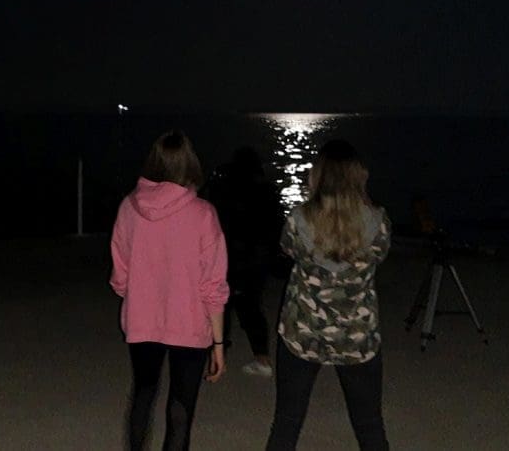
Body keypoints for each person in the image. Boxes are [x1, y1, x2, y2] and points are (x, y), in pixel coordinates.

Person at [267, 140, 391, 451]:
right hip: (356, 335)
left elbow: (287, 249)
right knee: (369, 424)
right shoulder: (378, 222)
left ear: (318, 175)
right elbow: (379, 255)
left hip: (303, 333)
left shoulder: (298, 220)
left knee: (287, 421)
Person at [110, 130, 230, 451]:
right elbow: (213, 284)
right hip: (189, 324)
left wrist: (140, 294)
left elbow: (120, 275)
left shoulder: (128, 208)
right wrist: (219, 343)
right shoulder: (203, 214)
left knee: (143, 392)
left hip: (142, 320)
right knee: (181, 405)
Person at [204, 146, 284, 377]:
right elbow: (276, 226)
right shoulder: (267, 191)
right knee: (252, 307)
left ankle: (218, 355)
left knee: (221, 306)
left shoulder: (222, 187)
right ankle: (262, 357)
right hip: (255, 259)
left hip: (227, 256)